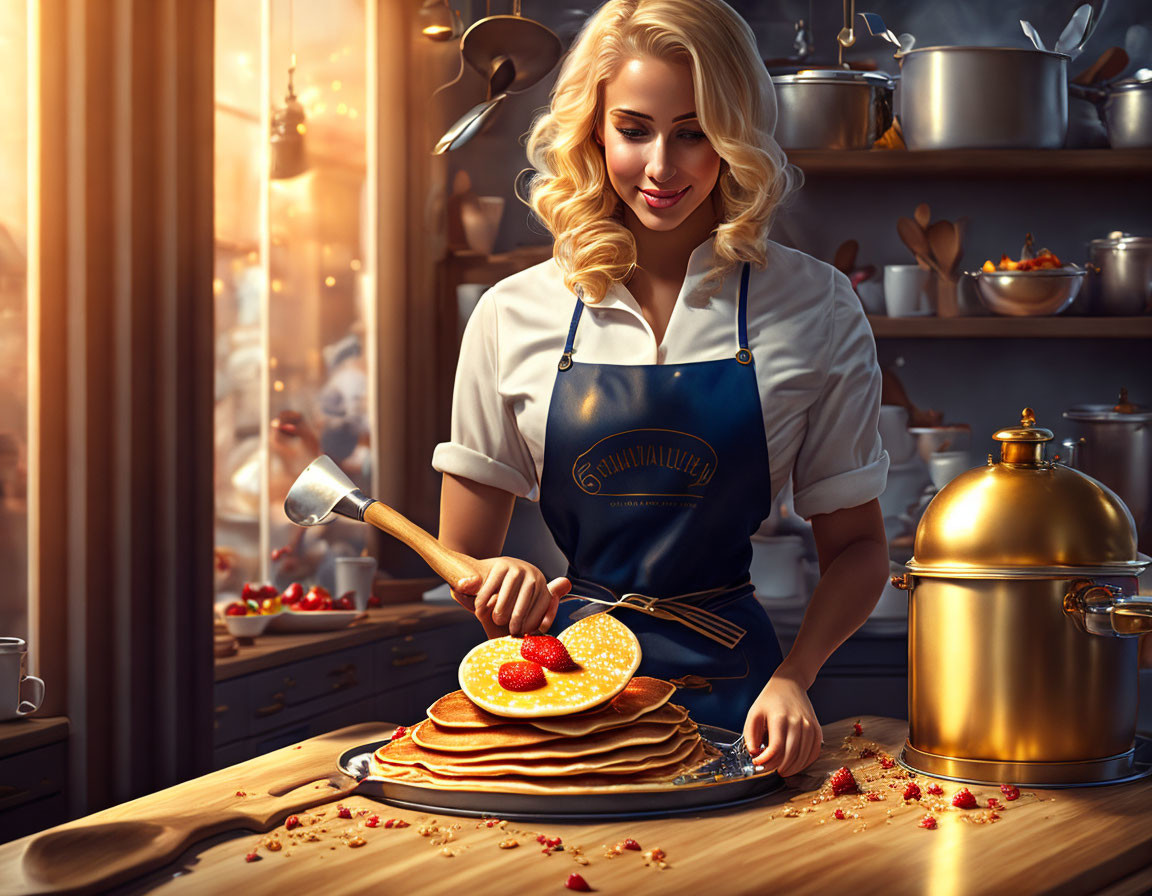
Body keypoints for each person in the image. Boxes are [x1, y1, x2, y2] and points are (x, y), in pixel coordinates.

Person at [433, 0, 889, 778]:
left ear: (735, 133)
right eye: (634, 129)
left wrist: (796, 677)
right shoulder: (512, 314)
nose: (661, 168)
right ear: (594, 131)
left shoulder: (815, 304)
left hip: (746, 710)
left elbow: (858, 550)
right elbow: (462, 555)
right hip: (566, 709)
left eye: (694, 131)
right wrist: (496, 582)